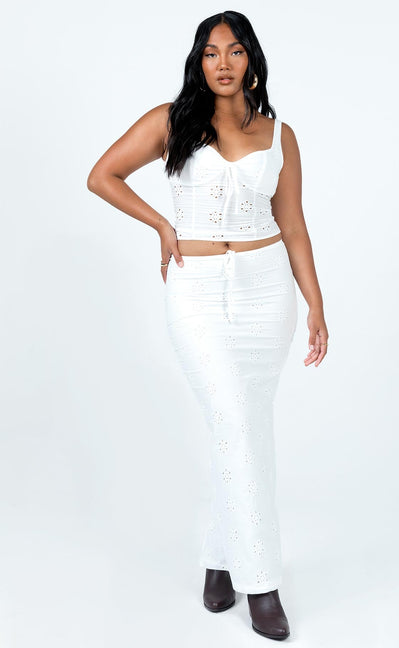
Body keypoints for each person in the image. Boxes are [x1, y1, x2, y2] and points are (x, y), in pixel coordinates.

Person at [87, 9, 328, 641]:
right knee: (238, 425)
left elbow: (294, 224)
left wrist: (315, 304)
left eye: (236, 51)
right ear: (199, 61)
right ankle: (262, 583)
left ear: (252, 60)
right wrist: (162, 226)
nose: (224, 63)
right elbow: (102, 176)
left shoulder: (279, 134)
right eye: (212, 52)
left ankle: (220, 562)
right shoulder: (173, 121)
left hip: (266, 291)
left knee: (243, 428)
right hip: (196, 292)